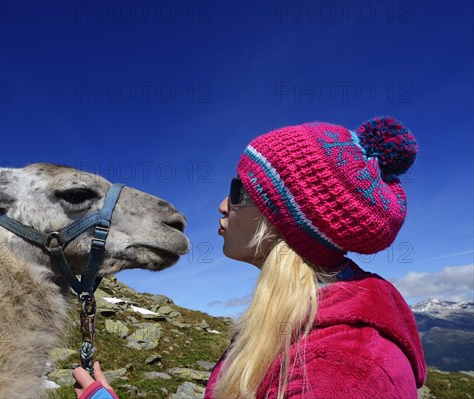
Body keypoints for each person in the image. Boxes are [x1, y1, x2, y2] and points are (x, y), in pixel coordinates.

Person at [72, 116, 426, 398]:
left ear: (286, 220)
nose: (222, 205)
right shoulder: (291, 323)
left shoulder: (345, 364)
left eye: (238, 191)